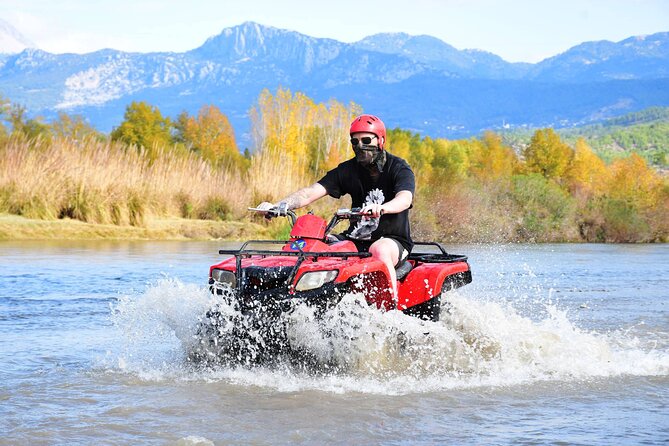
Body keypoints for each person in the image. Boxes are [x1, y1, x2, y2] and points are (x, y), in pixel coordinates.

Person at [257, 114, 415, 299]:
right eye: (354, 142)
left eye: (366, 140)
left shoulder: (398, 168)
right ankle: (303, 300)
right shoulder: (348, 170)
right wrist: (279, 205)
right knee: (316, 247)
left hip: (392, 240)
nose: (360, 146)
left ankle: (390, 308)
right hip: (356, 239)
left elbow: (404, 198)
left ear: (380, 140)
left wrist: (382, 208)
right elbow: (310, 192)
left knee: (379, 250)